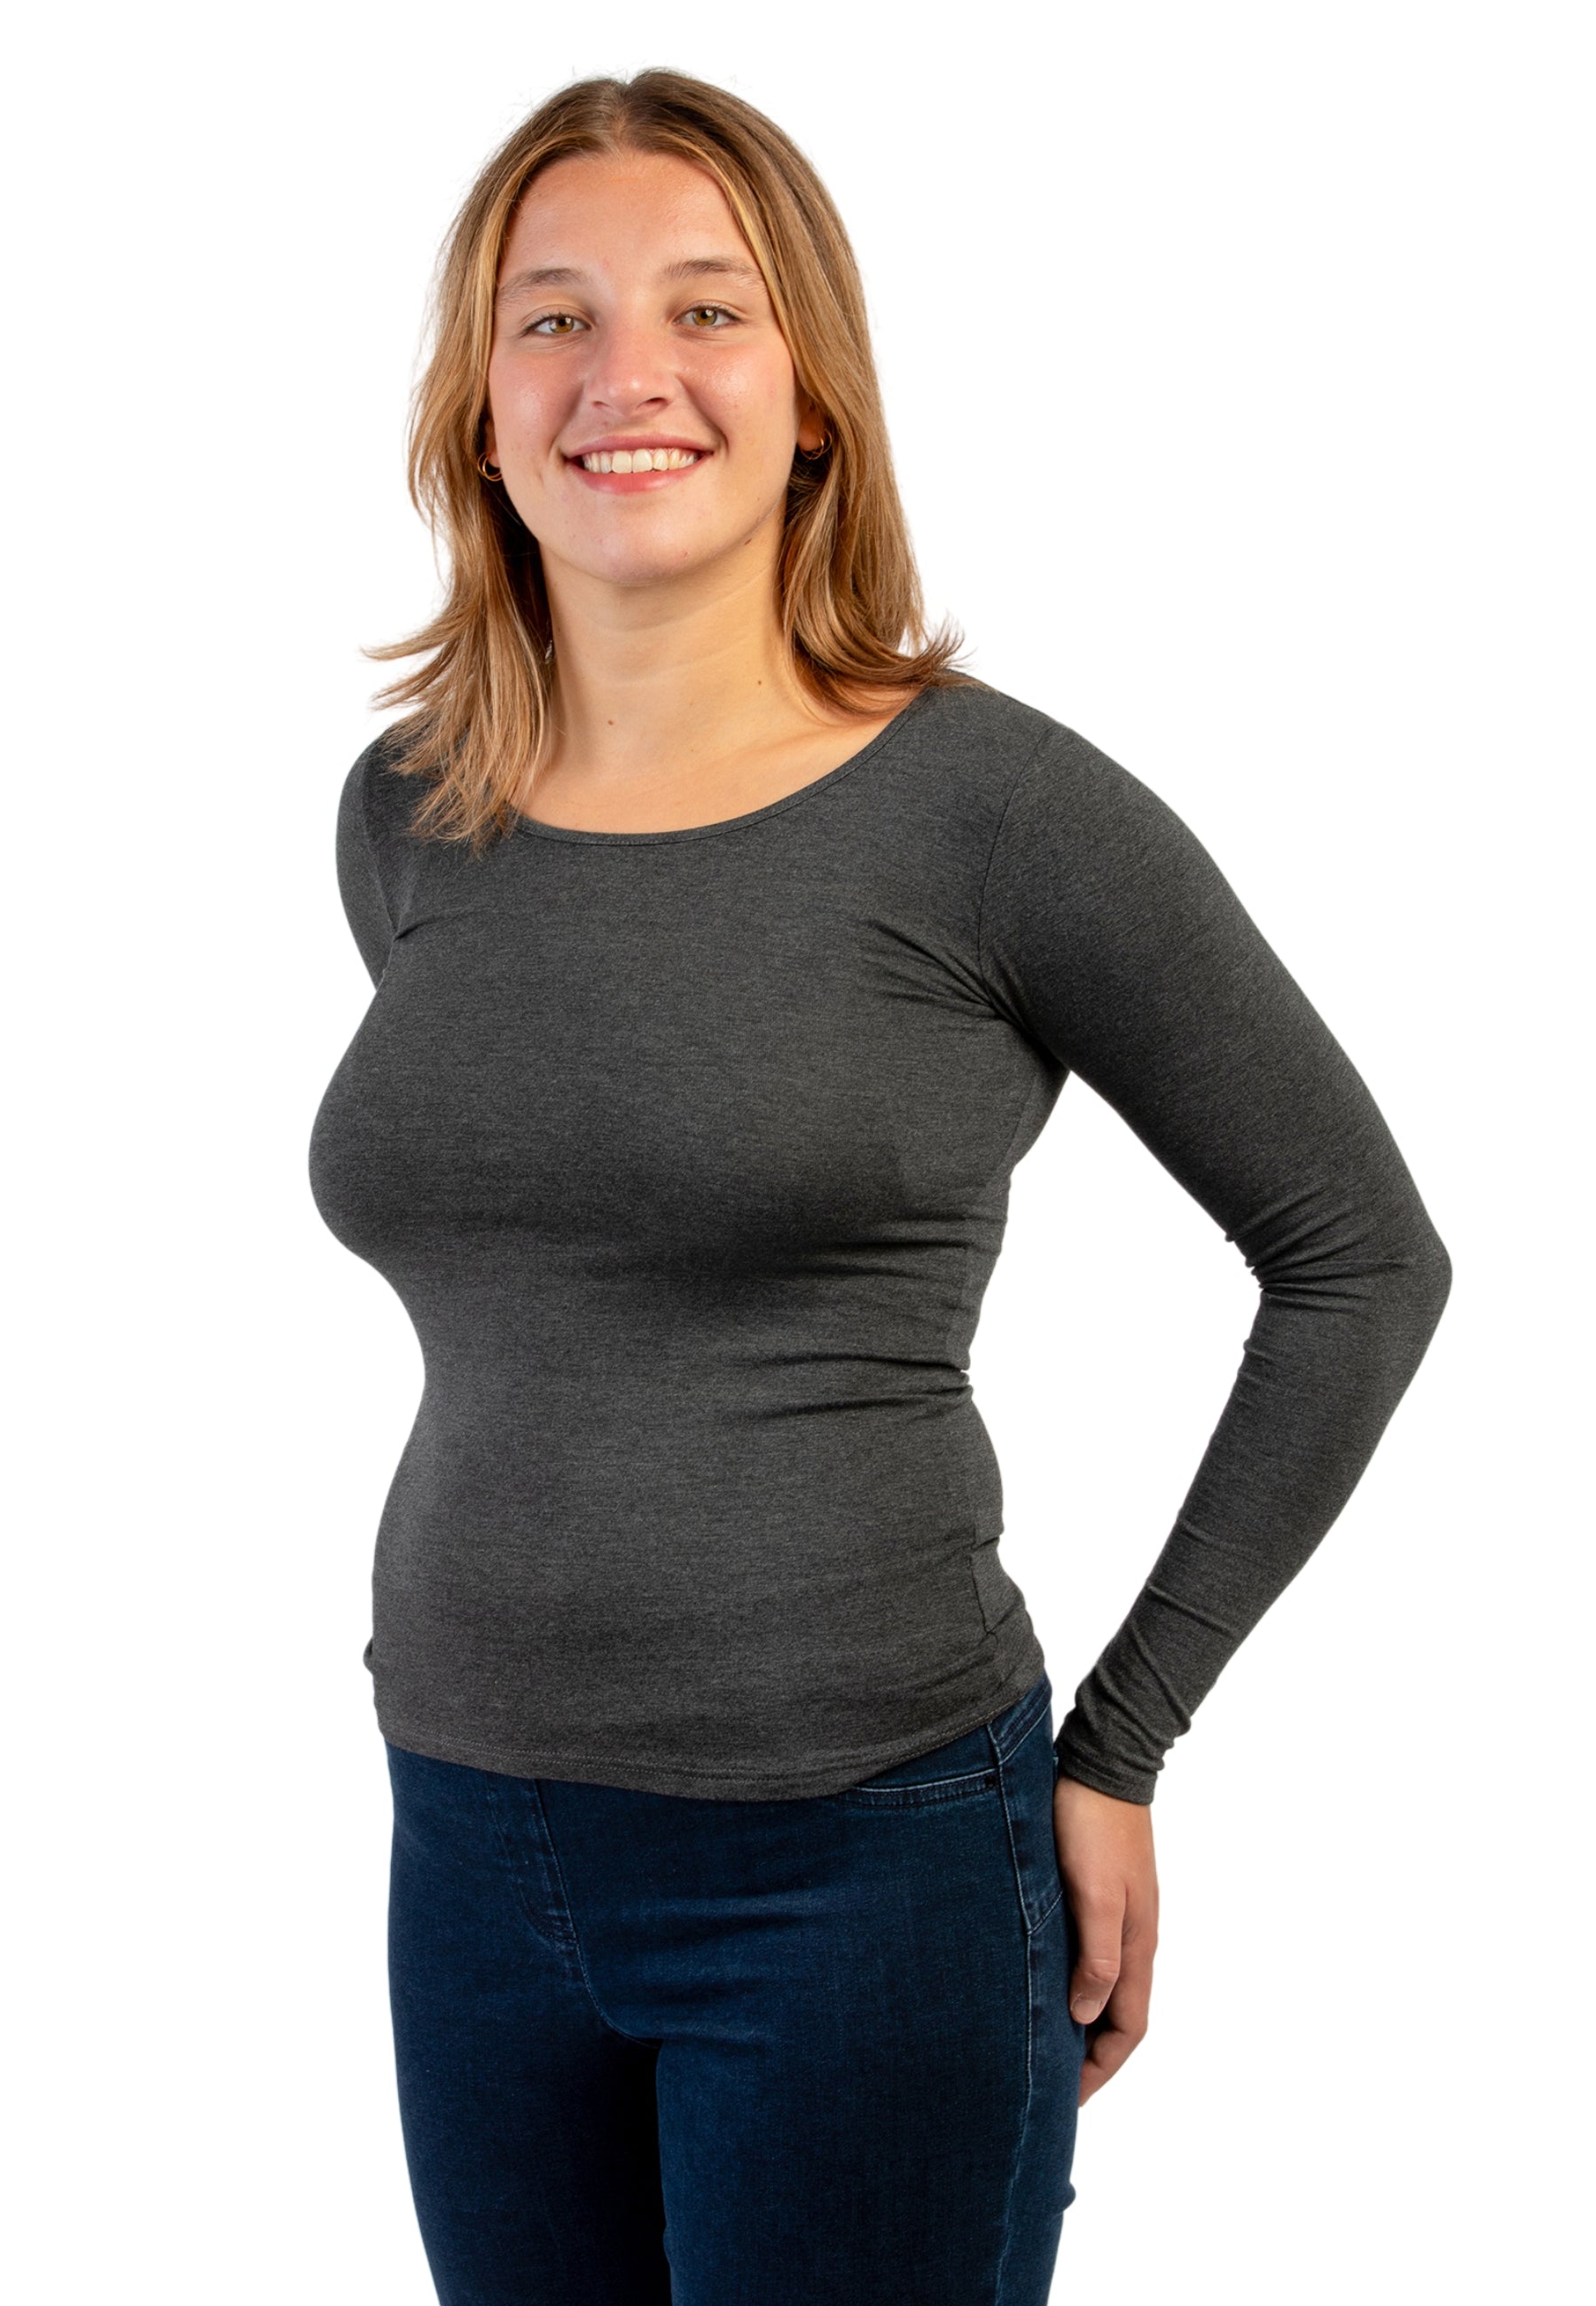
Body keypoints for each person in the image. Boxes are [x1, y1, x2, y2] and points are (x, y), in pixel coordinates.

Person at [308, 67, 1451, 2306]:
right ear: (477, 407)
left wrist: (1123, 1746)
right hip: (465, 1836)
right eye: (552, 318)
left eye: (705, 309)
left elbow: (1359, 1258)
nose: (626, 374)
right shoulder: (412, 814)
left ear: (811, 391)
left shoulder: (995, 815)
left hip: (863, 1867)